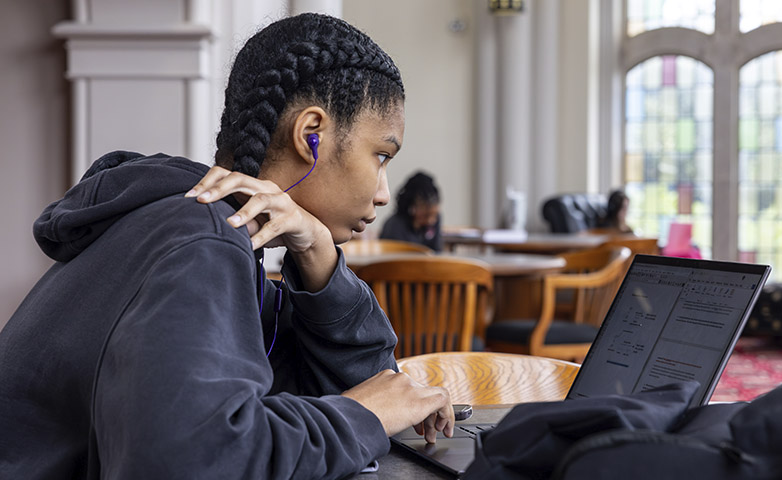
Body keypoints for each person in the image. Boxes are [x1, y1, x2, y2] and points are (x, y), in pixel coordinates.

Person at [0, 13, 455, 479]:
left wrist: (317, 251)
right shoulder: (203, 242)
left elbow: (364, 384)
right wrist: (365, 417)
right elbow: (187, 463)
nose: (383, 192)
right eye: (380, 156)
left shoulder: (202, 230)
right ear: (310, 134)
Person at [379, 171, 443, 251]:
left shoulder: (434, 221)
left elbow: (436, 252)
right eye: (426, 215)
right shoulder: (394, 226)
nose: (431, 221)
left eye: (435, 215)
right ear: (412, 208)